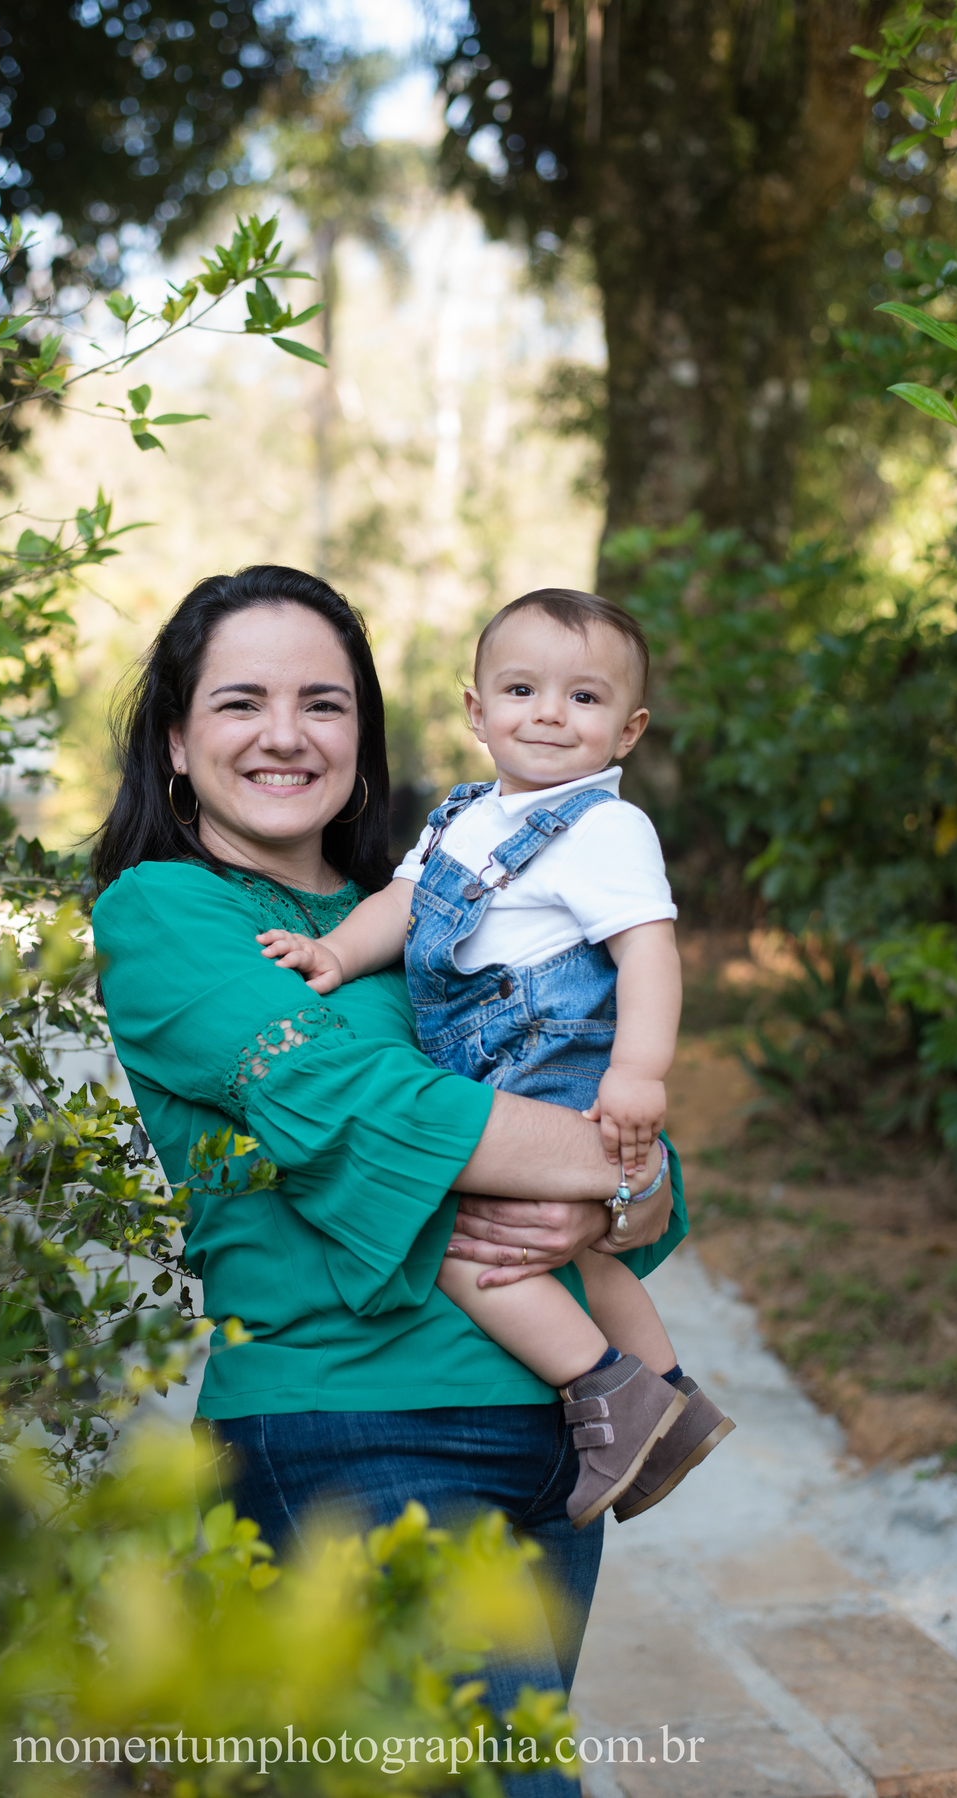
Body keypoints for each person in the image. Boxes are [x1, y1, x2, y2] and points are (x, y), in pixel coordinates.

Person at [91, 565, 688, 1798]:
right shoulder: (167, 912)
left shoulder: (433, 918)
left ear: (364, 739)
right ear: (175, 739)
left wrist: (626, 1187)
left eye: (324, 702)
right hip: (353, 1428)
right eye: (240, 701)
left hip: (561, 1436)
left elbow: (641, 1177)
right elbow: (368, 1108)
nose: (284, 735)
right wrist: (609, 1167)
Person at [258, 589, 734, 1530]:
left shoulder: (605, 829)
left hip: (553, 1057)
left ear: (629, 729)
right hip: (489, 1062)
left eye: (584, 699)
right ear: (476, 711)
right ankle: (672, 1398)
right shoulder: (461, 818)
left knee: (466, 1245)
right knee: (574, 1255)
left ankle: (608, 1390)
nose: (550, 713)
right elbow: (402, 907)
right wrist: (337, 954)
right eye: (521, 689)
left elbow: (648, 951)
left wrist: (639, 1074)